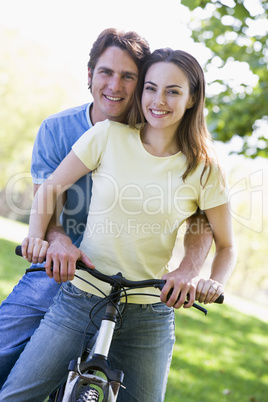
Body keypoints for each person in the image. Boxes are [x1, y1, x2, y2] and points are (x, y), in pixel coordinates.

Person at [0, 47, 237, 401]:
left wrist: (211, 282)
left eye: (173, 91)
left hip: (149, 314)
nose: (159, 100)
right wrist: (37, 236)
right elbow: (50, 188)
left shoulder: (205, 168)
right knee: (16, 395)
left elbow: (226, 244)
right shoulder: (108, 136)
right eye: (151, 88)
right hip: (80, 296)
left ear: (192, 99)